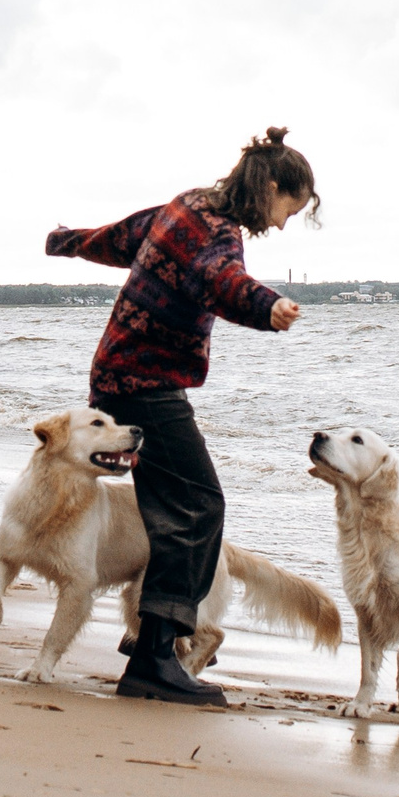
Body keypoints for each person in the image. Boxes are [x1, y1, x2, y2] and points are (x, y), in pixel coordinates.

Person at [45, 127, 317, 704]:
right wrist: (269, 305)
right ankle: (153, 655)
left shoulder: (187, 205)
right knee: (198, 505)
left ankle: (149, 640)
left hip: (117, 376)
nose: (282, 223)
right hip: (147, 383)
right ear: (269, 186)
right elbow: (221, 280)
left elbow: (124, 238)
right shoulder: (219, 233)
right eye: (288, 210)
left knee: (175, 506)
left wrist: (70, 241)